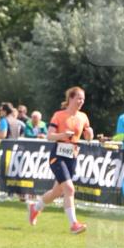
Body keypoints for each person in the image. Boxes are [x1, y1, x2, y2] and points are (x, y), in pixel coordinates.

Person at [28, 85, 93, 234]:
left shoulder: (83, 117)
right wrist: (62, 135)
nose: (81, 102)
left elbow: (88, 138)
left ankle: (35, 208)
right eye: (79, 98)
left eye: (83, 99)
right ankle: (74, 224)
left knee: (56, 193)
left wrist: (90, 133)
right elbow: (49, 136)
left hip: (72, 157)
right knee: (69, 189)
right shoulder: (59, 115)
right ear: (71, 98)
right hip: (57, 156)